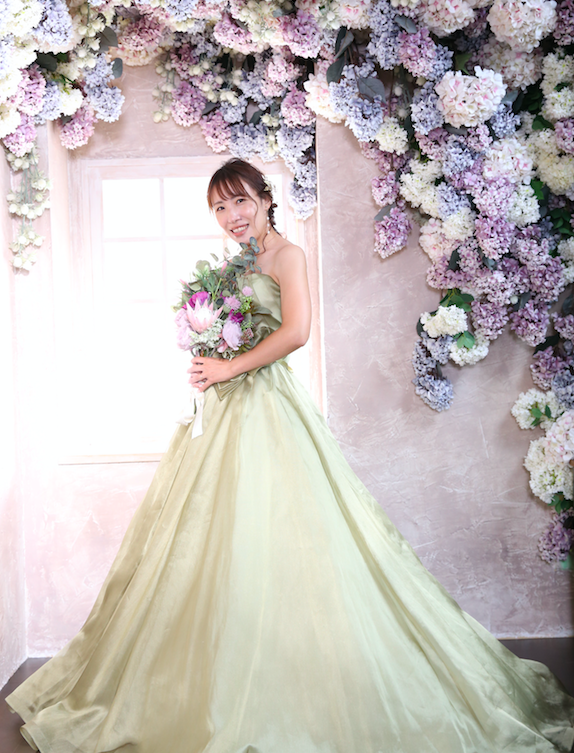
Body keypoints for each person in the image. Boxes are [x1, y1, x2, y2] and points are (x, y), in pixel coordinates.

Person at [6, 158, 574, 753]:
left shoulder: (287, 256)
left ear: (264, 198)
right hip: (225, 411)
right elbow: (233, 331)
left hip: (268, 408)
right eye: (220, 208)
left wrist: (228, 365)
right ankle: (218, 681)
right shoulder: (235, 265)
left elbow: (297, 331)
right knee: (215, 541)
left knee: (288, 537)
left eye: (240, 201)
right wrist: (208, 350)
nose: (232, 216)